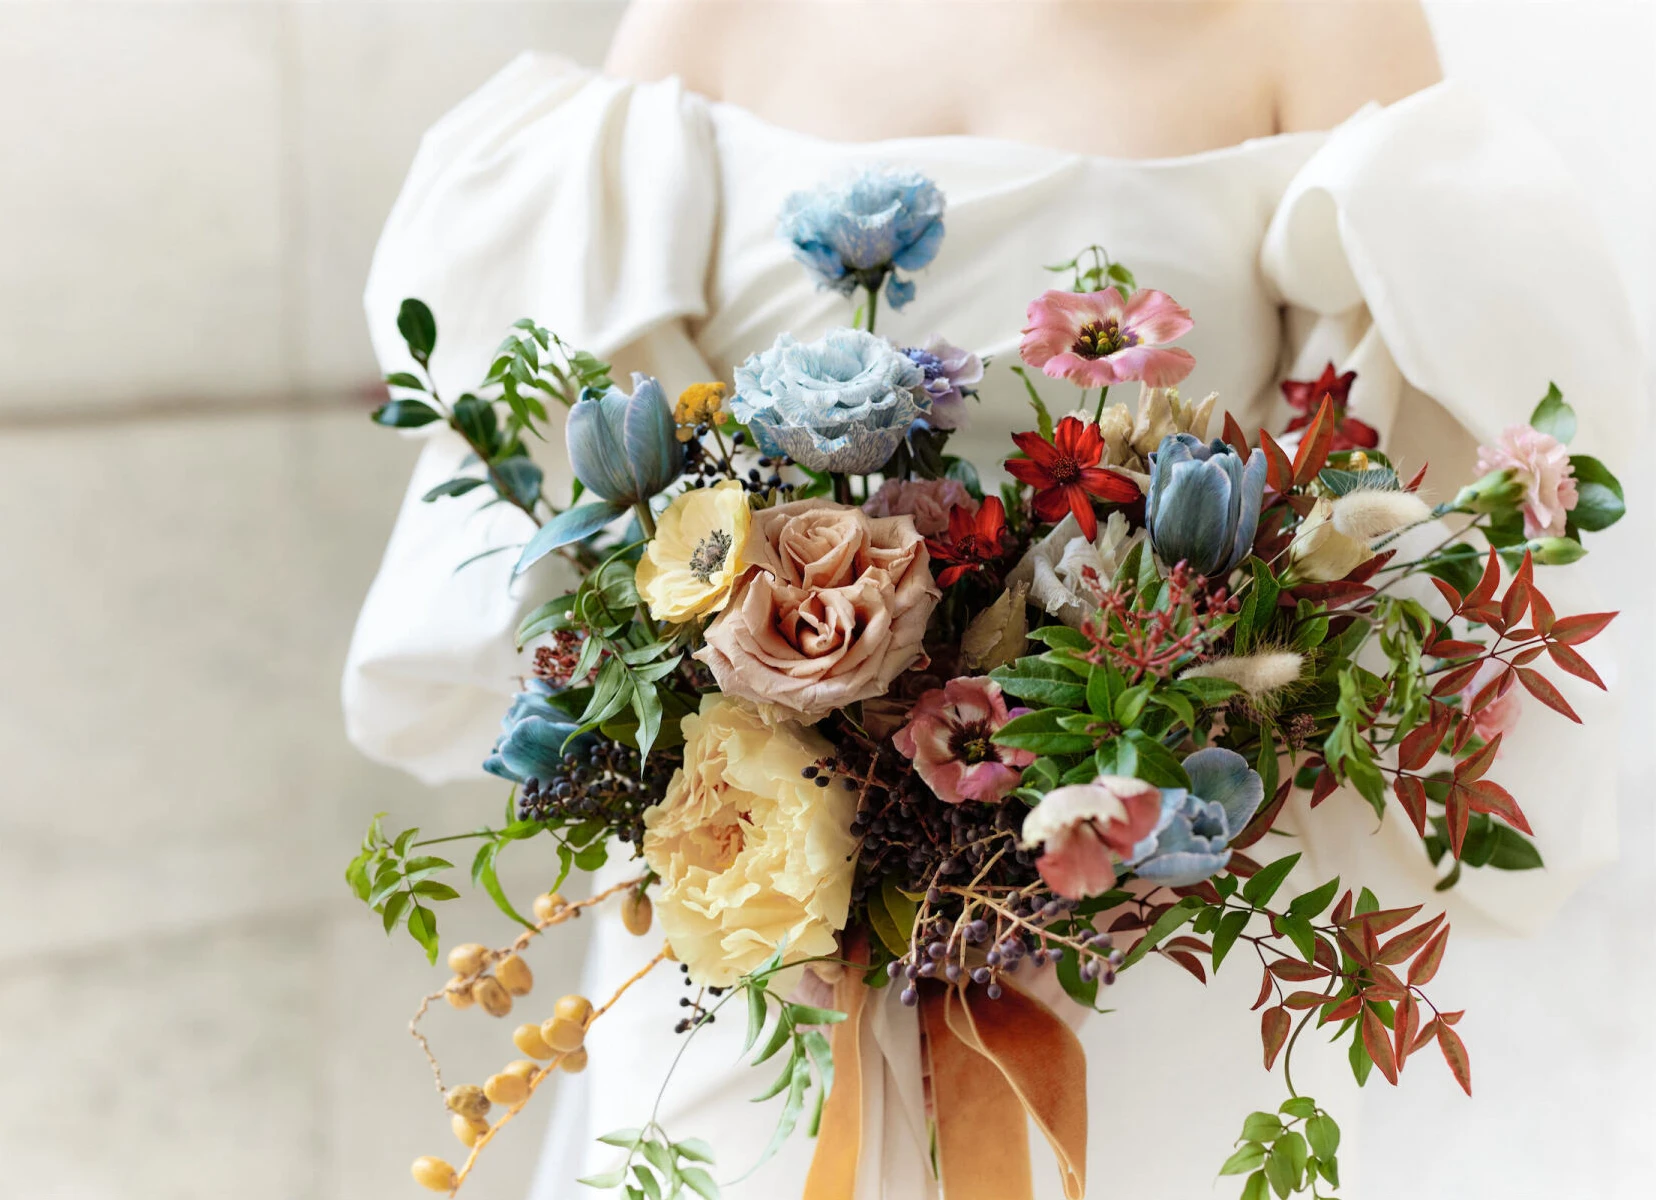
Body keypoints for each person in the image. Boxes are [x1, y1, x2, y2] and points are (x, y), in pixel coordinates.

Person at [344, 2, 1639, 1195]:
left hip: (1144, 915)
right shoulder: (706, 15)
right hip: (750, 910)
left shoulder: (1319, 18)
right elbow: (588, 458)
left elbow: (1388, 481)